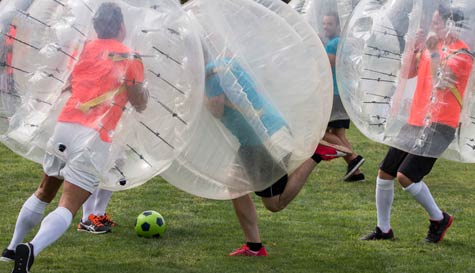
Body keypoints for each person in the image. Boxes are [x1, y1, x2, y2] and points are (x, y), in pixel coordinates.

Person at [2, 3, 148, 272]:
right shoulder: (131, 57)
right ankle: (31, 249)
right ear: (121, 27)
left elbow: (66, 82)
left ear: (95, 26)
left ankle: (11, 248)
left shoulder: (82, 49)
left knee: (45, 189)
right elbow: (139, 102)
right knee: (68, 205)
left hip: (65, 125)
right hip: (94, 136)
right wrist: (142, 93)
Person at [204, 56, 345, 256]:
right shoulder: (225, 63)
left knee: (274, 204)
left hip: (265, 140)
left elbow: (216, 109)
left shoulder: (212, 73)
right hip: (256, 138)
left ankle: (316, 155)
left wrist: (197, 101)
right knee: (234, 182)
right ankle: (254, 247)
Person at [361, 5, 473, 243]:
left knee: (406, 176)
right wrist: (414, 49)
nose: (432, 27)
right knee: (385, 172)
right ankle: (383, 229)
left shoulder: (462, 54)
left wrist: (430, 51)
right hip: (416, 121)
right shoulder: (433, 47)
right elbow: (408, 73)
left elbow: (441, 82)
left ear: (452, 25)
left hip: (440, 125)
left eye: (437, 23)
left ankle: (439, 218)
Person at [321, 11, 366, 182]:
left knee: (321, 133)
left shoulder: (334, 44)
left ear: (338, 26)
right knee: (338, 134)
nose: (326, 26)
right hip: (343, 93)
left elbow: (327, 64)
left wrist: (316, 47)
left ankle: (354, 157)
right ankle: (356, 173)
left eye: (330, 24)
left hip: (334, 94)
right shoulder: (342, 42)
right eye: (324, 23)